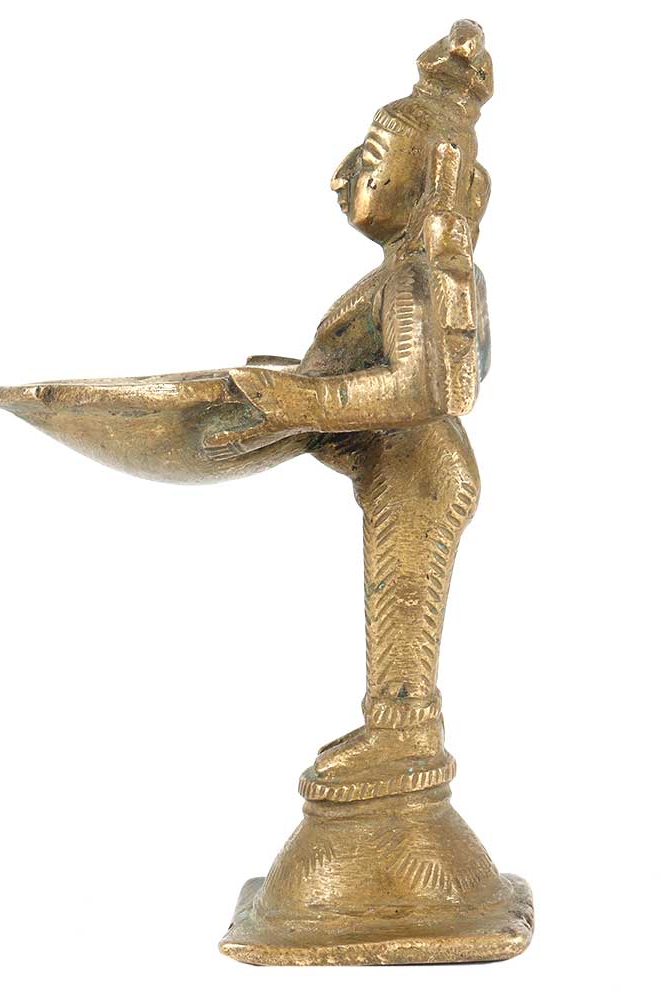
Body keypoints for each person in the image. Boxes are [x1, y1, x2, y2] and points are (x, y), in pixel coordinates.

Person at [204, 20, 495, 797]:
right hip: (410, 464)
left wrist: (301, 401)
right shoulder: (413, 274)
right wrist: (303, 398)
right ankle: (395, 732)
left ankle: (402, 740)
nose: (343, 175)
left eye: (369, 158)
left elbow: (424, 390)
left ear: (429, 179)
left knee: (404, 606)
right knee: (398, 607)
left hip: (420, 469)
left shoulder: (422, 277)